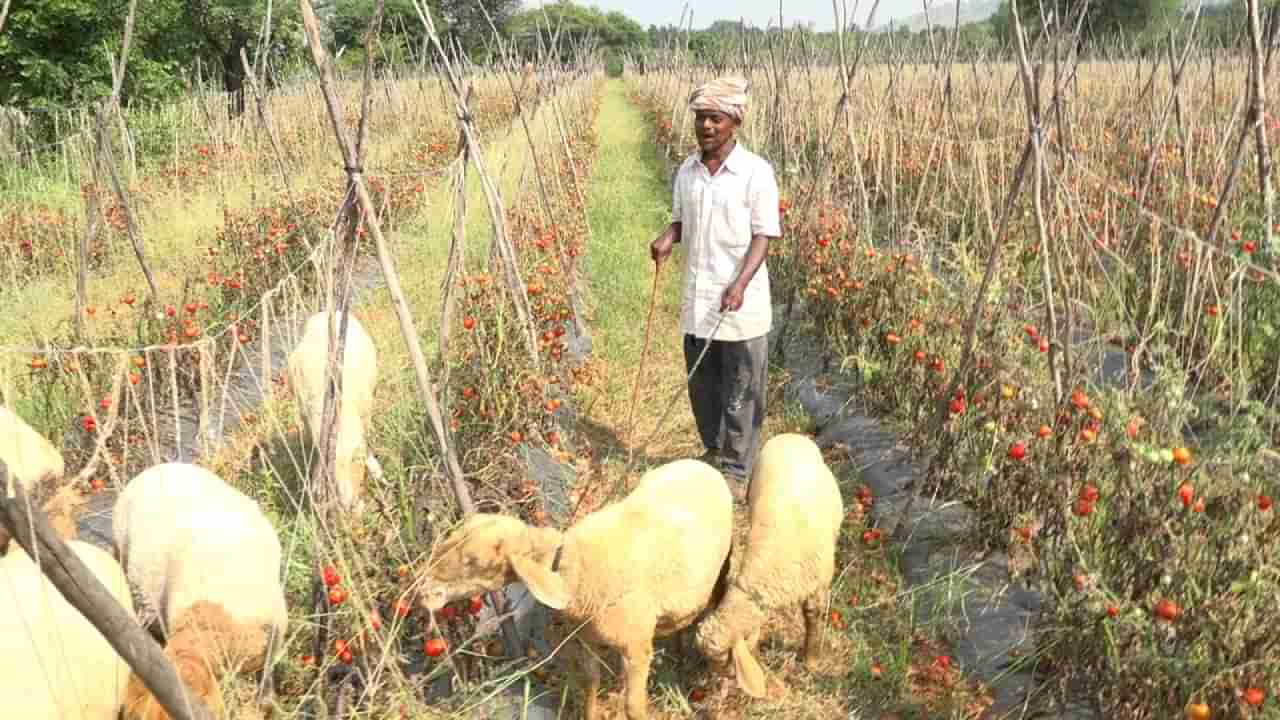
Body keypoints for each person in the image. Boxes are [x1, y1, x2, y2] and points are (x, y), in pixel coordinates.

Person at [649, 76, 782, 500]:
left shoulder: (755, 172)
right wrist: (669, 236)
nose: (706, 126)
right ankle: (713, 452)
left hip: (739, 302)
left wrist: (741, 281)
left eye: (715, 119)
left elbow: (764, 234)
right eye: (700, 118)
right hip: (699, 296)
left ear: (734, 123)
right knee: (702, 384)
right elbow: (681, 219)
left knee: (741, 387)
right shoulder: (687, 172)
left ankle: (738, 470)